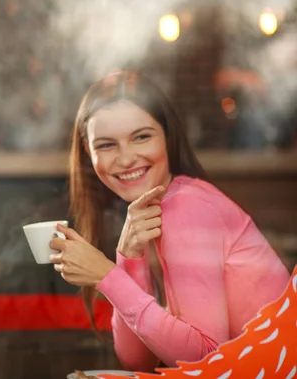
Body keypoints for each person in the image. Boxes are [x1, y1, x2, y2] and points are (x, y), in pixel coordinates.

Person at [48, 70, 290, 371]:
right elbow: (137, 359)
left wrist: (107, 276)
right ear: (88, 152)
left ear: (167, 137)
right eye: (107, 145)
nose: (125, 159)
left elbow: (205, 360)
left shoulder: (187, 206)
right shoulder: (159, 206)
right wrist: (128, 260)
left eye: (141, 137)